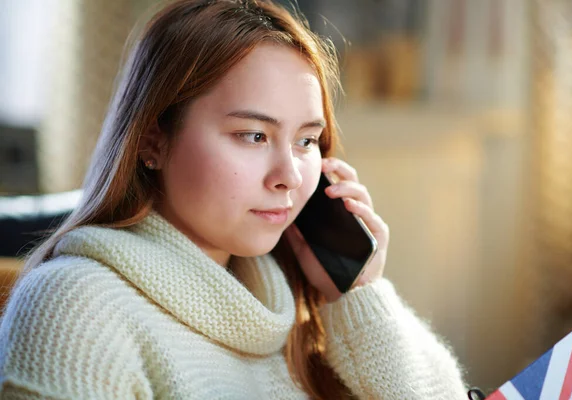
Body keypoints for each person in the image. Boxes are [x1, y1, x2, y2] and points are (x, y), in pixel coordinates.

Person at [0, 0, 468, 398]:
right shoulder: (74, 309)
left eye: (306, 141)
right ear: (151, 142)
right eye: (252, 135)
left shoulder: (302, 306)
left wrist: (359, 295)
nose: (289, 176)